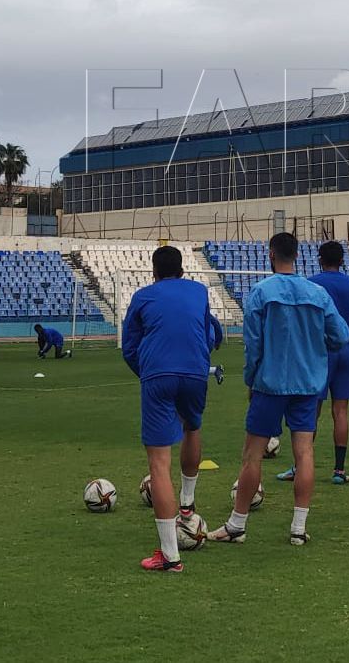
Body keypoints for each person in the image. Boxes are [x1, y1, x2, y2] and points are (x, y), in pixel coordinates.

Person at [210, 232, 349, 548]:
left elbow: (253, 346)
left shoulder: (260, 293)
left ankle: (237, 525)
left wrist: (251, 379)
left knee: (252, 455)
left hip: (270, 384)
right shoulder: (318, 293)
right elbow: (340, 336)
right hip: (307, 384)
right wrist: (315, 348)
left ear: (271, 255)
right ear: (297, 255)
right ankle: (298, 528)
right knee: (305, 452)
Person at [121, 244, 224, 573]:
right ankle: (187, 506)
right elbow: (212, 332)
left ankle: (170, 556)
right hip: (196, 373)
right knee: (192, 427)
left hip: (159, 375)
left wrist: (148, 372)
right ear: (183, 270)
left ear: (154, 272)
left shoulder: (142, 297)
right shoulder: (199, 291)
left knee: (158, 464)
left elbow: (129, 347)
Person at [278, 241, 349, 487]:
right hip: (348, 349)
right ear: (342, 261)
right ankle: (339, 470)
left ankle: (300, 466)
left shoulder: (311, 284)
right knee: (341, 410)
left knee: (311, 409)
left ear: (319, 259)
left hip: (319, 351)